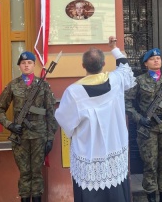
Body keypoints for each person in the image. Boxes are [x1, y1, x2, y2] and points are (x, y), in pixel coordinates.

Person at [55, 36, 136, 202]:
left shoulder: (73, 92)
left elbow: (64, 121)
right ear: (104, 64)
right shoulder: (116, 80)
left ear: (83, 66)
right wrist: (114, 48)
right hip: (114, 148)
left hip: (89, 152)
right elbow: (125, 68)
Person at [0, 51, 58, 202]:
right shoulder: (13, 86)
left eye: (29, 63)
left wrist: (50, 137)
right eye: (23, 63)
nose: (26, 65)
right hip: (20, 137)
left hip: (39, 137)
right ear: (19, 66)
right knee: (24, 173)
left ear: (34, 65)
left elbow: (50, 112)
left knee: (36, 173)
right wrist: (10, 125)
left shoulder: (43, 85)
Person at [125, 48, 162, 202]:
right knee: (150, 165)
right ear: (146, 63)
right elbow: (127, 104)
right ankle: (151, 197)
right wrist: (139, 118)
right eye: (152, 59)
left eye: (158, 58)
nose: (157, 60)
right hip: (148, 128)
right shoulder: (139, 81)